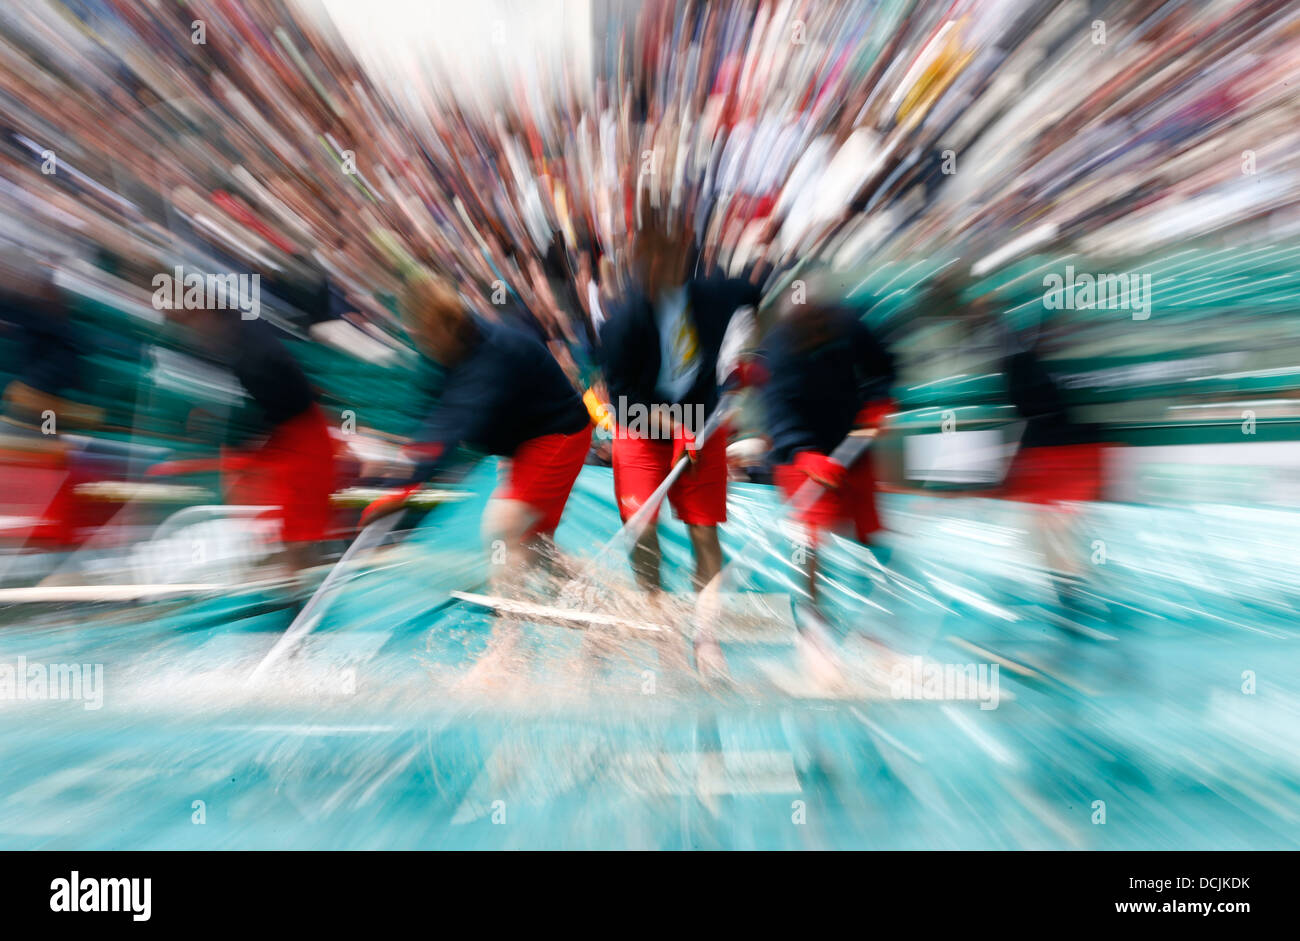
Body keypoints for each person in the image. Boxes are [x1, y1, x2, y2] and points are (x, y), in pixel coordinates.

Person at [362, 273, 593, 663]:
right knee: (531, 543)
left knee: (502, 528)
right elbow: (426, 415)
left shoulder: (493, 356)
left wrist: (406, 490)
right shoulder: (440, 350)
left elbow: (451, 427)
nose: (422, 346)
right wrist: (399, 479)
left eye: (426, 337)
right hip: (521, 444)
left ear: (447, 326)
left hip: (558, 435)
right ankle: (587, 594)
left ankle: (507, 648)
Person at [597, 204, 759, 671]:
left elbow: (756, 300)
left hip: (704, 420)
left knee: (704, 535)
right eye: (643, 258)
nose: (651, 267)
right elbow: (623, 403)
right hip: (643, 426)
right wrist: (673, 429)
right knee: (641, 528)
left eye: (662, 256)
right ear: (636, 259)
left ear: (679, 253)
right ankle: (658, 622)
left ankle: (706, 639)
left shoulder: (716, 296)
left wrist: (751, 353)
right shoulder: (621, 324)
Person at [761, 301, 896, 606]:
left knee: (866, 525)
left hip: (852, 437)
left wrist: (879, 399)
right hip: (800, 452)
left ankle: (875, 604)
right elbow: (777, 407)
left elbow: (880, 364)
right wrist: (802, 452)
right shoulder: (778, 349)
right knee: (809, 536)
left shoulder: (846, 322)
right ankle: (811, 615)